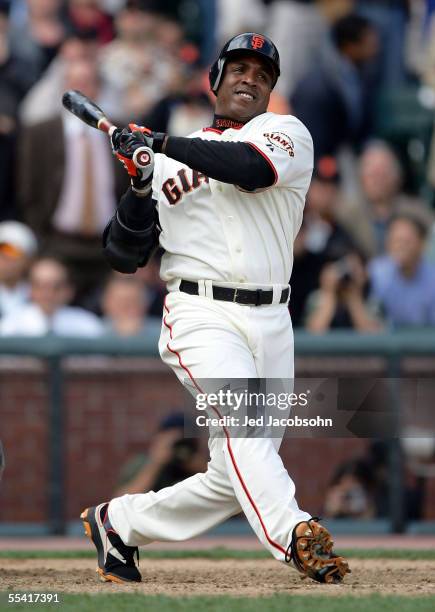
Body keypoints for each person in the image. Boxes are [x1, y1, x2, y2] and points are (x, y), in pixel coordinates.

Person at [80, 32, 350, 585]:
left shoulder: (286, 133)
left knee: (235, 477)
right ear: (215, 80)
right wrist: (138, 184)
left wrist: (158, 142)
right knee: (246, 430)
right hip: (199, 313)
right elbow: (122, 254)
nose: (249, 78)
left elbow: (247, 169)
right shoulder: (167, 157)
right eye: (238, 69)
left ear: (271, 90)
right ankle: (296, 533)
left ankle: (118, 523)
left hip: (274, 318)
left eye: (261, 73)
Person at [0, 256, 104, 336]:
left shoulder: (88, 324)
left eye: (56, 287)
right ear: (30, 289)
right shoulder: (10, 325)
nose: (47, 293)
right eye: (40, 286)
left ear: (69, 290)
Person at [368, 210, 435, 327]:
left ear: (422, 244)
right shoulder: (376, 272)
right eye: (395, 241)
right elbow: (371, 323)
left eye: (406, 242)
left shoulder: (432, 278)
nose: (400, 247)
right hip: (385, 343)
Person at [114, 412, 207, 496]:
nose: (179, 449)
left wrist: (202, 469)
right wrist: (156, 464)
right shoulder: (142, 463)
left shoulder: (202, 465)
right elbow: (121, 502)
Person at [0, 221, 37, 320]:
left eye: (13, 254)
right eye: (1, 254)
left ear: (29, 261)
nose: (5, 260)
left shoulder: (41, 295)